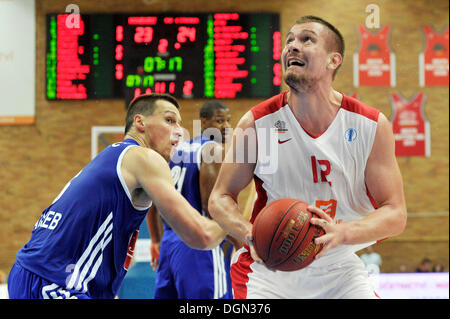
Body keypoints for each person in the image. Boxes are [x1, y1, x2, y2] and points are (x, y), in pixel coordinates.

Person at [208, 16, 407, 299]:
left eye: (307, 40)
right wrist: (248, 232)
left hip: (339, 270)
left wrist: (343, 233)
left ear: (333, 60)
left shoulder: (370, 125)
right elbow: (220, 197)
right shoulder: (257, 123)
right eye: (289, 40)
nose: (292, 47)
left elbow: (395, 213)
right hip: (268, 272)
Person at [7, 93, 226, 299]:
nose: (179, 131)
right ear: (140, 123)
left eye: (180, 123)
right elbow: (201, 235)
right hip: (54, 282)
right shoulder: (144, 156)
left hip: (33, 272)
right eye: (169, 120)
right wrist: (240, 223)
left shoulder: (112, 157)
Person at [148, 100, 240, 299]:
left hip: (170, 244)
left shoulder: (176, 151)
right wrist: (243, 239)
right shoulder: (213, 150)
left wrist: (156, 240)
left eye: (228, 121)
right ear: (203, 123)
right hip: (200, 242)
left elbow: (153, 201)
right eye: (219, 121)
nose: (226, 126)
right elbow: (213, 207)